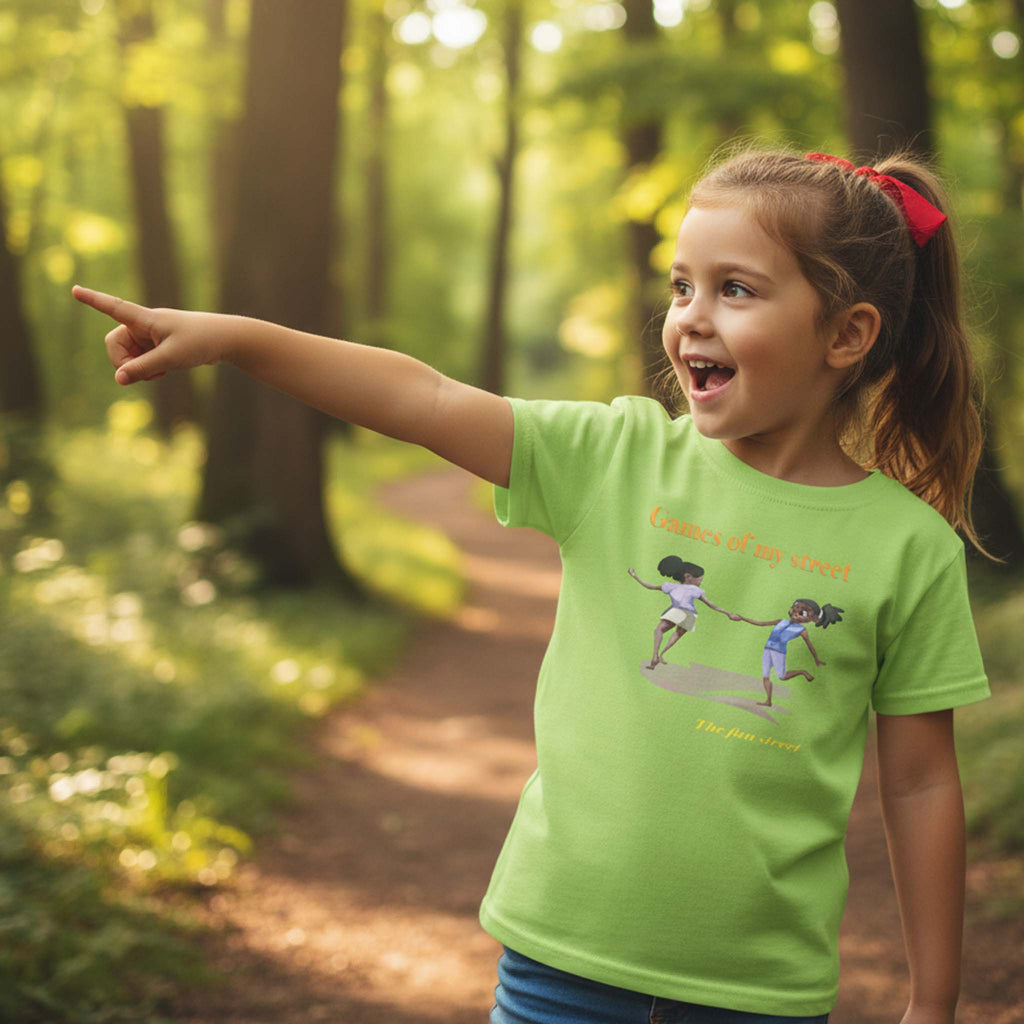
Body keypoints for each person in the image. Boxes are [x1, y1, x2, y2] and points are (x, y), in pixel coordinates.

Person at [71, 145, 992, 1024]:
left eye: (735, 290)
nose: (690, 317)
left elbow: (918, 785)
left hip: (762, 991)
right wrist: (237, 340)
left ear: (848, 334)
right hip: (562, 958)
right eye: (681, 287)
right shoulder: (614, 458)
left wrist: (932, 998)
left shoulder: (907, 547)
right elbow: (422, 398)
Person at [628, 557, 740, 669]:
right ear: (688, 576)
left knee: (660, 630)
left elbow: (650, 586)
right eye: (699, 579)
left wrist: (635, 576)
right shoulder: (693, 589)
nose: (700, 582)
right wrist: (728, 613)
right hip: (688, 614)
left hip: (677, 611)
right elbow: (711, 605)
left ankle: (656, 655)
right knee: (676, 634)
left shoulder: (672, 586)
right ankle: (660, 654)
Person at [731, 598, 843, 706]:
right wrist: (742, 618)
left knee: (782, 676)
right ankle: (768, 701)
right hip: (767, 649)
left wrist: (816, 659)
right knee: (765, 676)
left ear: (811, 618)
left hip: (779, 652)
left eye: (802, 613)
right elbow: (761, 623)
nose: (794, 613)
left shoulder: (801, 630)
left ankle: (802, 672)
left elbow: (810, 645)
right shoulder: (781, 621)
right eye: (794, 609)